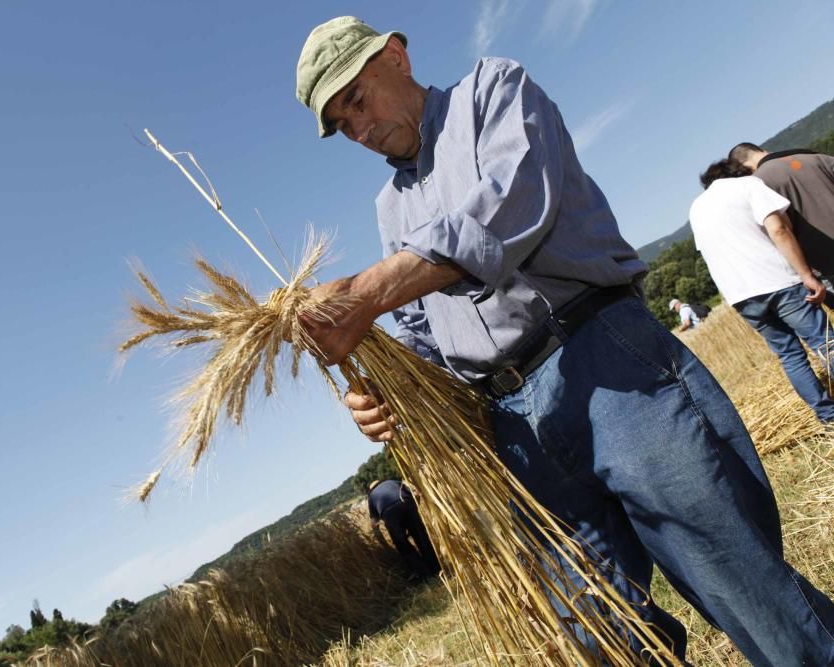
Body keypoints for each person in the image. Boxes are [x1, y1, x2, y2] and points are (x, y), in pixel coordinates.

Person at [294, 15, 834, 665]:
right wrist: (388, 397)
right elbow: (422, 337)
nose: (360, 127)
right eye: (343, 124)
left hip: (604, 360)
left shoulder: (491, 90)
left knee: (741, 582)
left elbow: (512, 208)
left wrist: (373, 288)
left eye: (357, 99)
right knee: (600, 633)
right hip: (514, 427)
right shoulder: (391, 210)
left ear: (397, 58)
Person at [689, 158, 834, 423]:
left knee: (790, 356)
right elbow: (778, 229)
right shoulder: (747, 185)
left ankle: (828, 416)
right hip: (779, 281)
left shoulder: (696, 209)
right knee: (824, 341)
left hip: (742, 297)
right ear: (738, 172)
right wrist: (806, 274)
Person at [729, 141, 834, 302]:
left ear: (744, 168)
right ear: (763, 150)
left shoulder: (757, 184)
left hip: (823, 261)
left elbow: (779, 230)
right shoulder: (816, 158)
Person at [366, 479, 440, 582]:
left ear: (371, 489)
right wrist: (414, 510)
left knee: (402, 545)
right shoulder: (393, 482)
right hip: (406, 503)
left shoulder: (372, 496)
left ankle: (425, 574)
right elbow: (415, 495)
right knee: (421, 537)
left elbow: (374, 524)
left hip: (389, 513)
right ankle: (436, 568)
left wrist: (383, 543)